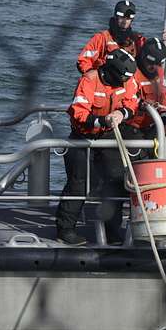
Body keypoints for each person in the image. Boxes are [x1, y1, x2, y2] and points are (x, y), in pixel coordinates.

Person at [56, 49, 139, 246]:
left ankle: (112, 230)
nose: (124, 82)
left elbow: (133, 102)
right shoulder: (89, 80)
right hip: (83, 137)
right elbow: (79, 113)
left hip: (109, 137)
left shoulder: (127, 80)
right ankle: (65, 229)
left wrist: (122, 114)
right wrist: (102, 120)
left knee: (117, 180)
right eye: (121, 78)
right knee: (79, 182)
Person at [123, 38, 166, 152]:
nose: (154, 68)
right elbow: (124, 99)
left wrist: (165, 122)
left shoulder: (158, 73)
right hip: (129, 127)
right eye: (151, 64)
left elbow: (165, 102)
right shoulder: (130, 72)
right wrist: (141, 103)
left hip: (151, 127)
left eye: (158, 64)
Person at [77, 0, 144, 78]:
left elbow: (148, 57)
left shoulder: (137, 40)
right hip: (106, 83)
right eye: (122, 17)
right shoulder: (102, 38)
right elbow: (83, 61)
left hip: (129, 83)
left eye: (128, 18)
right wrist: (94, 76)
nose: (125, 21)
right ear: (116, 16)